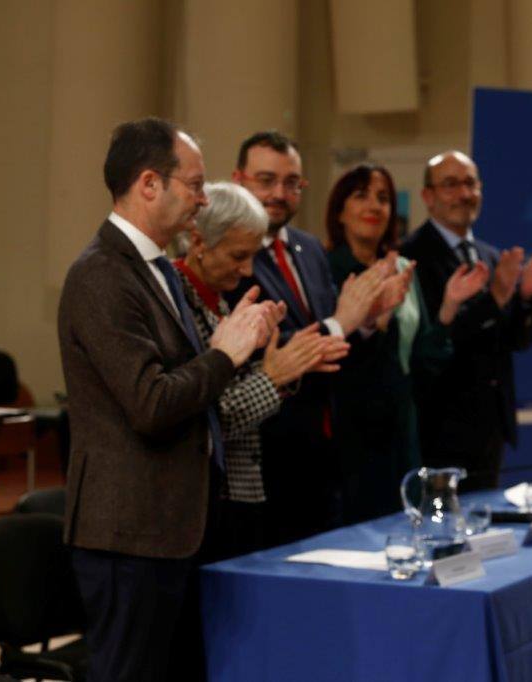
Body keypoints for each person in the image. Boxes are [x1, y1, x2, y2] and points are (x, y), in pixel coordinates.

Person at [58, 118, 277, 681]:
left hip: (172, 526)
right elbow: (150, 403)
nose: (204, 201)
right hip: (129, 531)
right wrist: (226, 355)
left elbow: (184, 385)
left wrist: (241, 348)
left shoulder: (156, 267)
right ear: (149, 183)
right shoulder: (101, 274)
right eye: (196, 185)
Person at [229, 130, 396, 545]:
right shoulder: (232, 254)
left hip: (327, 458)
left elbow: (336, 351)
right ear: (239, 180)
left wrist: (365, 321)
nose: (279, 194)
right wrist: (342, 321)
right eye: (266, 181)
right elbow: (276, 347)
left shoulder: (308, 248)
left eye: (291, 183)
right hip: (269, 458)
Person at [174, 181, 350, 559]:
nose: (248, 269)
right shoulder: (177, 307)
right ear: (199, 241)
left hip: (242, 498)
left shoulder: (220, 301)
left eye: (253, 255)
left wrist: (273, 368)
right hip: (204, 505)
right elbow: (206, 420)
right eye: (239, 255)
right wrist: (273, 377)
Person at [324, 164, 488, 522]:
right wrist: (373, 320)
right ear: (339, 210)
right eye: (361, 196)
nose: (375, 206)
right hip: (351, 427)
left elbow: (421, 358)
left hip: (403, 425)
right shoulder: (325, 268)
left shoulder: (401, 267)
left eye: (383, 198)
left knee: (405, 522)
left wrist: (448, 307)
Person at [401, 151, 532, 491]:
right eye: (450, 184)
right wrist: (495, 300)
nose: (464, 193)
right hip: (439, 430)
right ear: (427, 197)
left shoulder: (489, 256)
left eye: (470, 183)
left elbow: (514, 341)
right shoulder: (411, 258)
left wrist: (526, 297)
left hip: (491, 429)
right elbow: (432, 344)